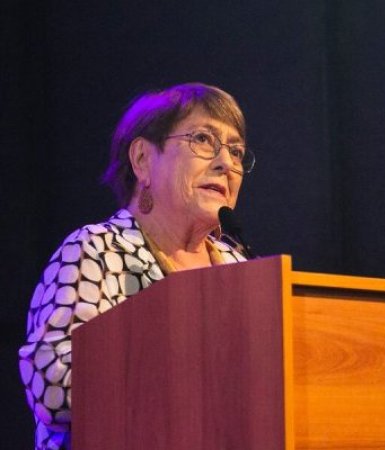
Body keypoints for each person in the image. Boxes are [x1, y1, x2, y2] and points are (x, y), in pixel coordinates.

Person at [18, 82, 256, 450]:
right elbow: (54, 388)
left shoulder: (241, 268)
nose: (226, 163)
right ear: (143, 159)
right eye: (203, 139)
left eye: (236, 151)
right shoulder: (96, 252)